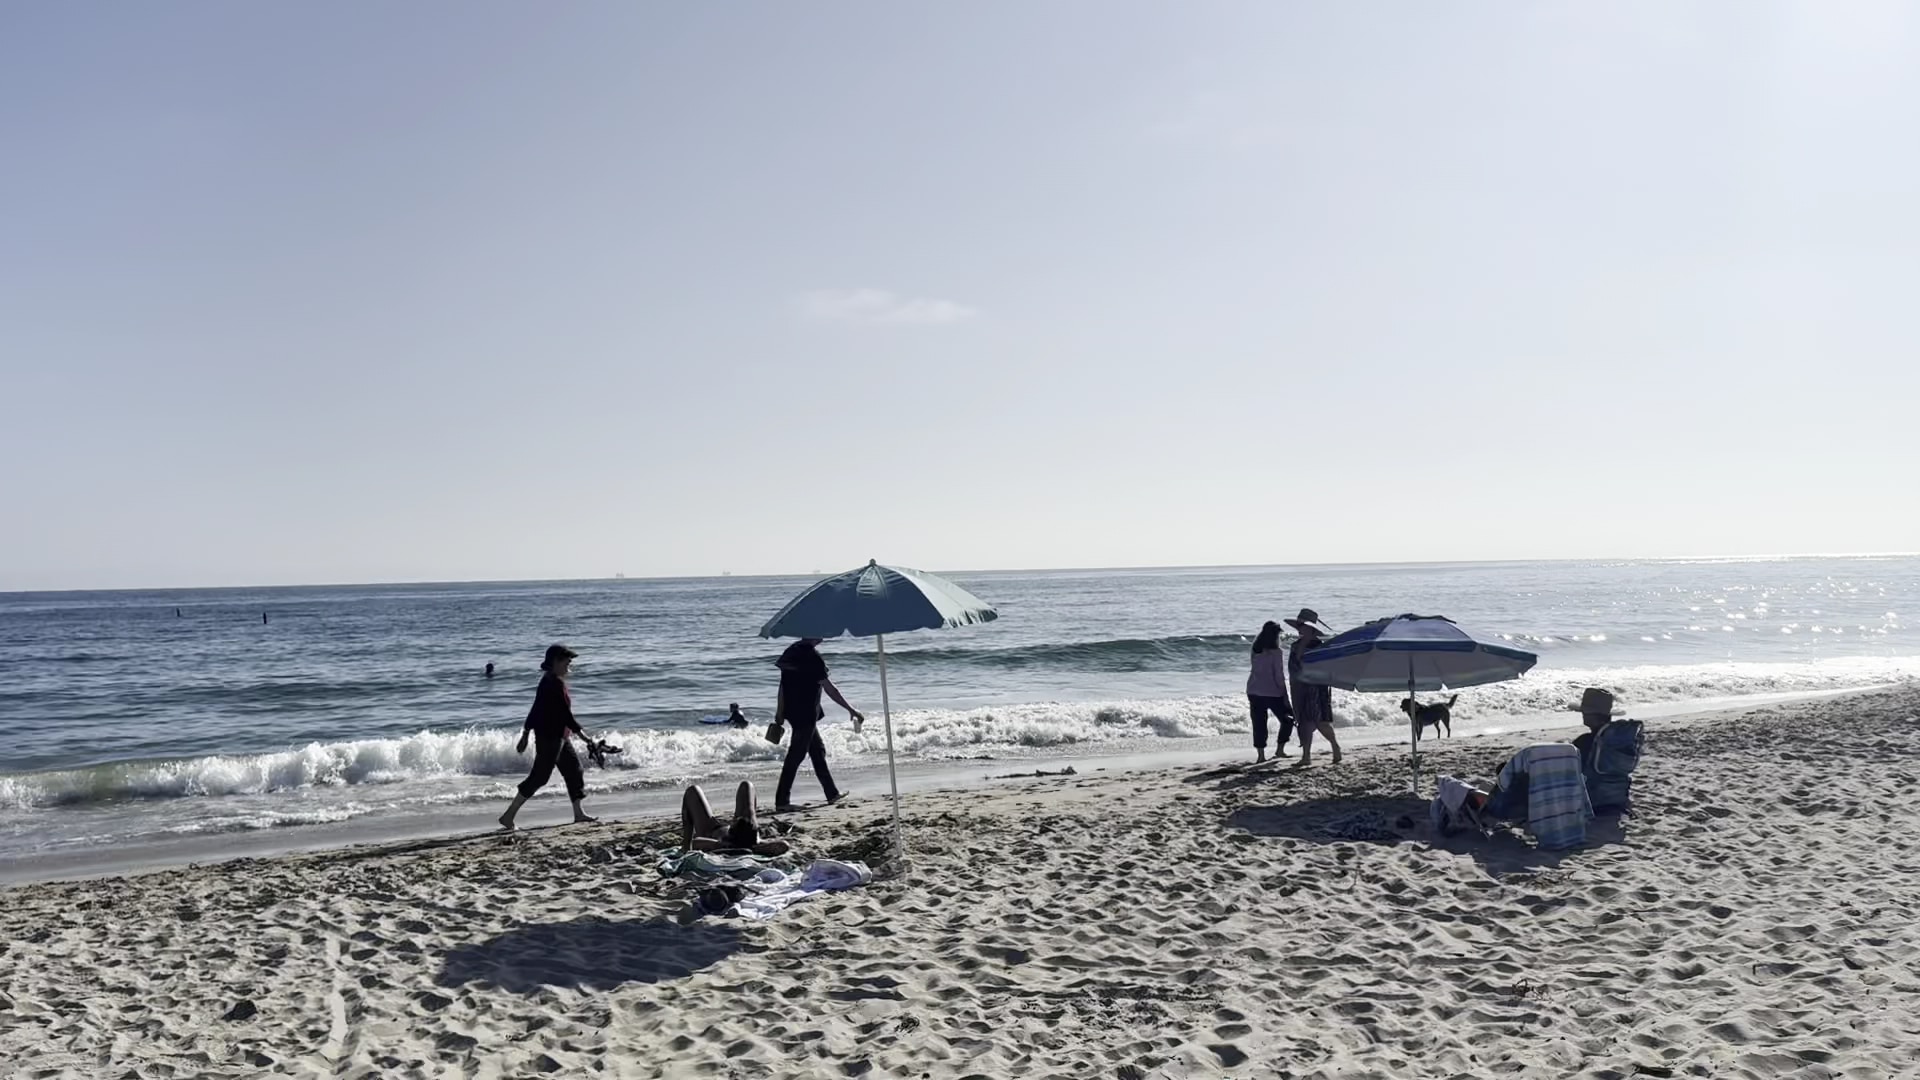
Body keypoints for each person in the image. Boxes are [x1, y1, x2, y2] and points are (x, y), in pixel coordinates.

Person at [498, 643, 598, 830]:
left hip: (561, 736)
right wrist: (585, 737)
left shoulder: (550, 681)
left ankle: (578, 814)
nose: (570, 663)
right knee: (539, 777)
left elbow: (535, 710)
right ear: (555, 662)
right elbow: (563, 715)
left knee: (574, 770)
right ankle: (508, 816)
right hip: (549, 738)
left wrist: (526, 733)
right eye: (567, 660)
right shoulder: (552, 683)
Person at [773, 637, 865, 812]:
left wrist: (780, 711)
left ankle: (831, 793)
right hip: (805, 713)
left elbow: (782, 686)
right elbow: (830, 689)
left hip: (793, 711)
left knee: (817, 751)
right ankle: (782, 801)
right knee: (796, 755)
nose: (823, 636)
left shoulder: (792, 650)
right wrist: (851, 709)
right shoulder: (812, 656)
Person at [1285, 608, 1343, 766]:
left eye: (1302, 626)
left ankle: (1335, 746)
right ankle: (1306, 756)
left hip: (1317, 688)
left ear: (1311, 628)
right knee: (1304, 722)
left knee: (1321, 722)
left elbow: (1325, 668)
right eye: (1299, 626)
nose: (1300, 629)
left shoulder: (1320, 647)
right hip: (1300, 687)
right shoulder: (1295, 646)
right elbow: (1292, 668)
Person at [681, 781, 789, 855]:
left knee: (693, 791)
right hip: (746, 834)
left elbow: (696, 842)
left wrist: (719, 845)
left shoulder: (721, 844)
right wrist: (758, 845)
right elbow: (784, 845)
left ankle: (685, 848)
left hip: (712, 831)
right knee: (746, 785)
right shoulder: (755, 842)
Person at [1246, 621, 1294, 763]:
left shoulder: (1255, 649)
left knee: (1259, 723)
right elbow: (1278, 675)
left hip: (1254, 690)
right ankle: (1280, 750)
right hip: (1273, 692)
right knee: (1288, 719)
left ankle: (1261, 756)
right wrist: (1285, 695)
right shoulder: (1277, 652)